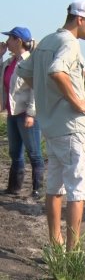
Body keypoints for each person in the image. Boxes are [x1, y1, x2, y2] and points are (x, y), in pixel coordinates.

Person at [17, 0, 85, 272]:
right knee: (77, 190)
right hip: (71, 128)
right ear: (80, 19)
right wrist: (76, 101)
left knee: (54, 187)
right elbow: (57, 72)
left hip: (51, 127)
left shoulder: (46, 40)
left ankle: (56, 249)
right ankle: (74, 254)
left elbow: (24, 72)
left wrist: (47, 100)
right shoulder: (69, 43)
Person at [0, 27, 44, 199]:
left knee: (34, 152)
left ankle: (37, 189)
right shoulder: (9, 62)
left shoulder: (30, 61)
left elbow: (35, 89)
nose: (6, 42)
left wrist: (31, 114)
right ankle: (14, 187)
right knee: (15, 151)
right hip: (13, 113)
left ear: (18, 40)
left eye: (9, 39)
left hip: (26, 113)